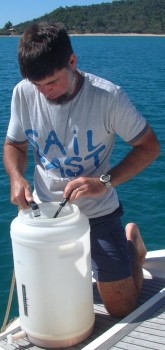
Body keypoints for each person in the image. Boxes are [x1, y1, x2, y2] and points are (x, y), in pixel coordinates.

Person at [3, 22, 160, 318]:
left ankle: (132, 246)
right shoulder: (23, 92)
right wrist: (16, 177)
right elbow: (15, 144)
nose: (44, 92)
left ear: (72, 62)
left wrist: (104, 181)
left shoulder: (108, 98)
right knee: (47, 301)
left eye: (51, 82)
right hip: (46, 213)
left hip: (98, 212)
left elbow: (149, 147)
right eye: (37, 85)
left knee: (121, 308)